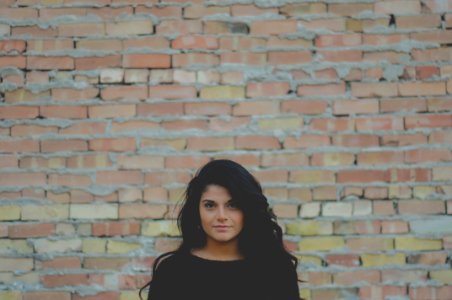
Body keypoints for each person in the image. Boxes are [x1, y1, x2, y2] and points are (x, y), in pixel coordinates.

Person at [139, 159, 300, 300]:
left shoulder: (276, 270)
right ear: (197, 210)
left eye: (233, 205)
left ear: (247, 209)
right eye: (210, 205)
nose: (221, 216)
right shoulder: (173, 272)